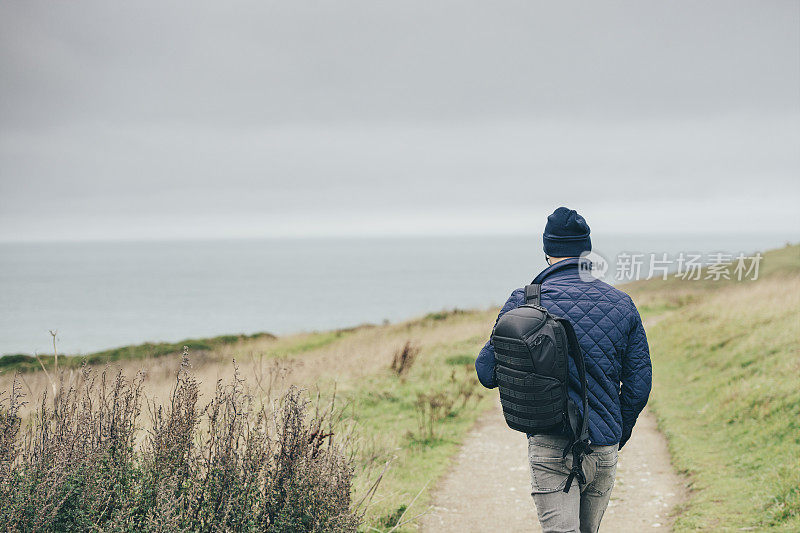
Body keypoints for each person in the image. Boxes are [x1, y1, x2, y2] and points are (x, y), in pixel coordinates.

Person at [475, 207, 652, 533]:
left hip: (549, 442)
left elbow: (486, 373)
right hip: (604, 446)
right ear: (586, 253)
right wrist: (615, 435)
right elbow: (639, 386)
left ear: (547, 252)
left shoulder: (525, 302)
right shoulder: (621, 303)